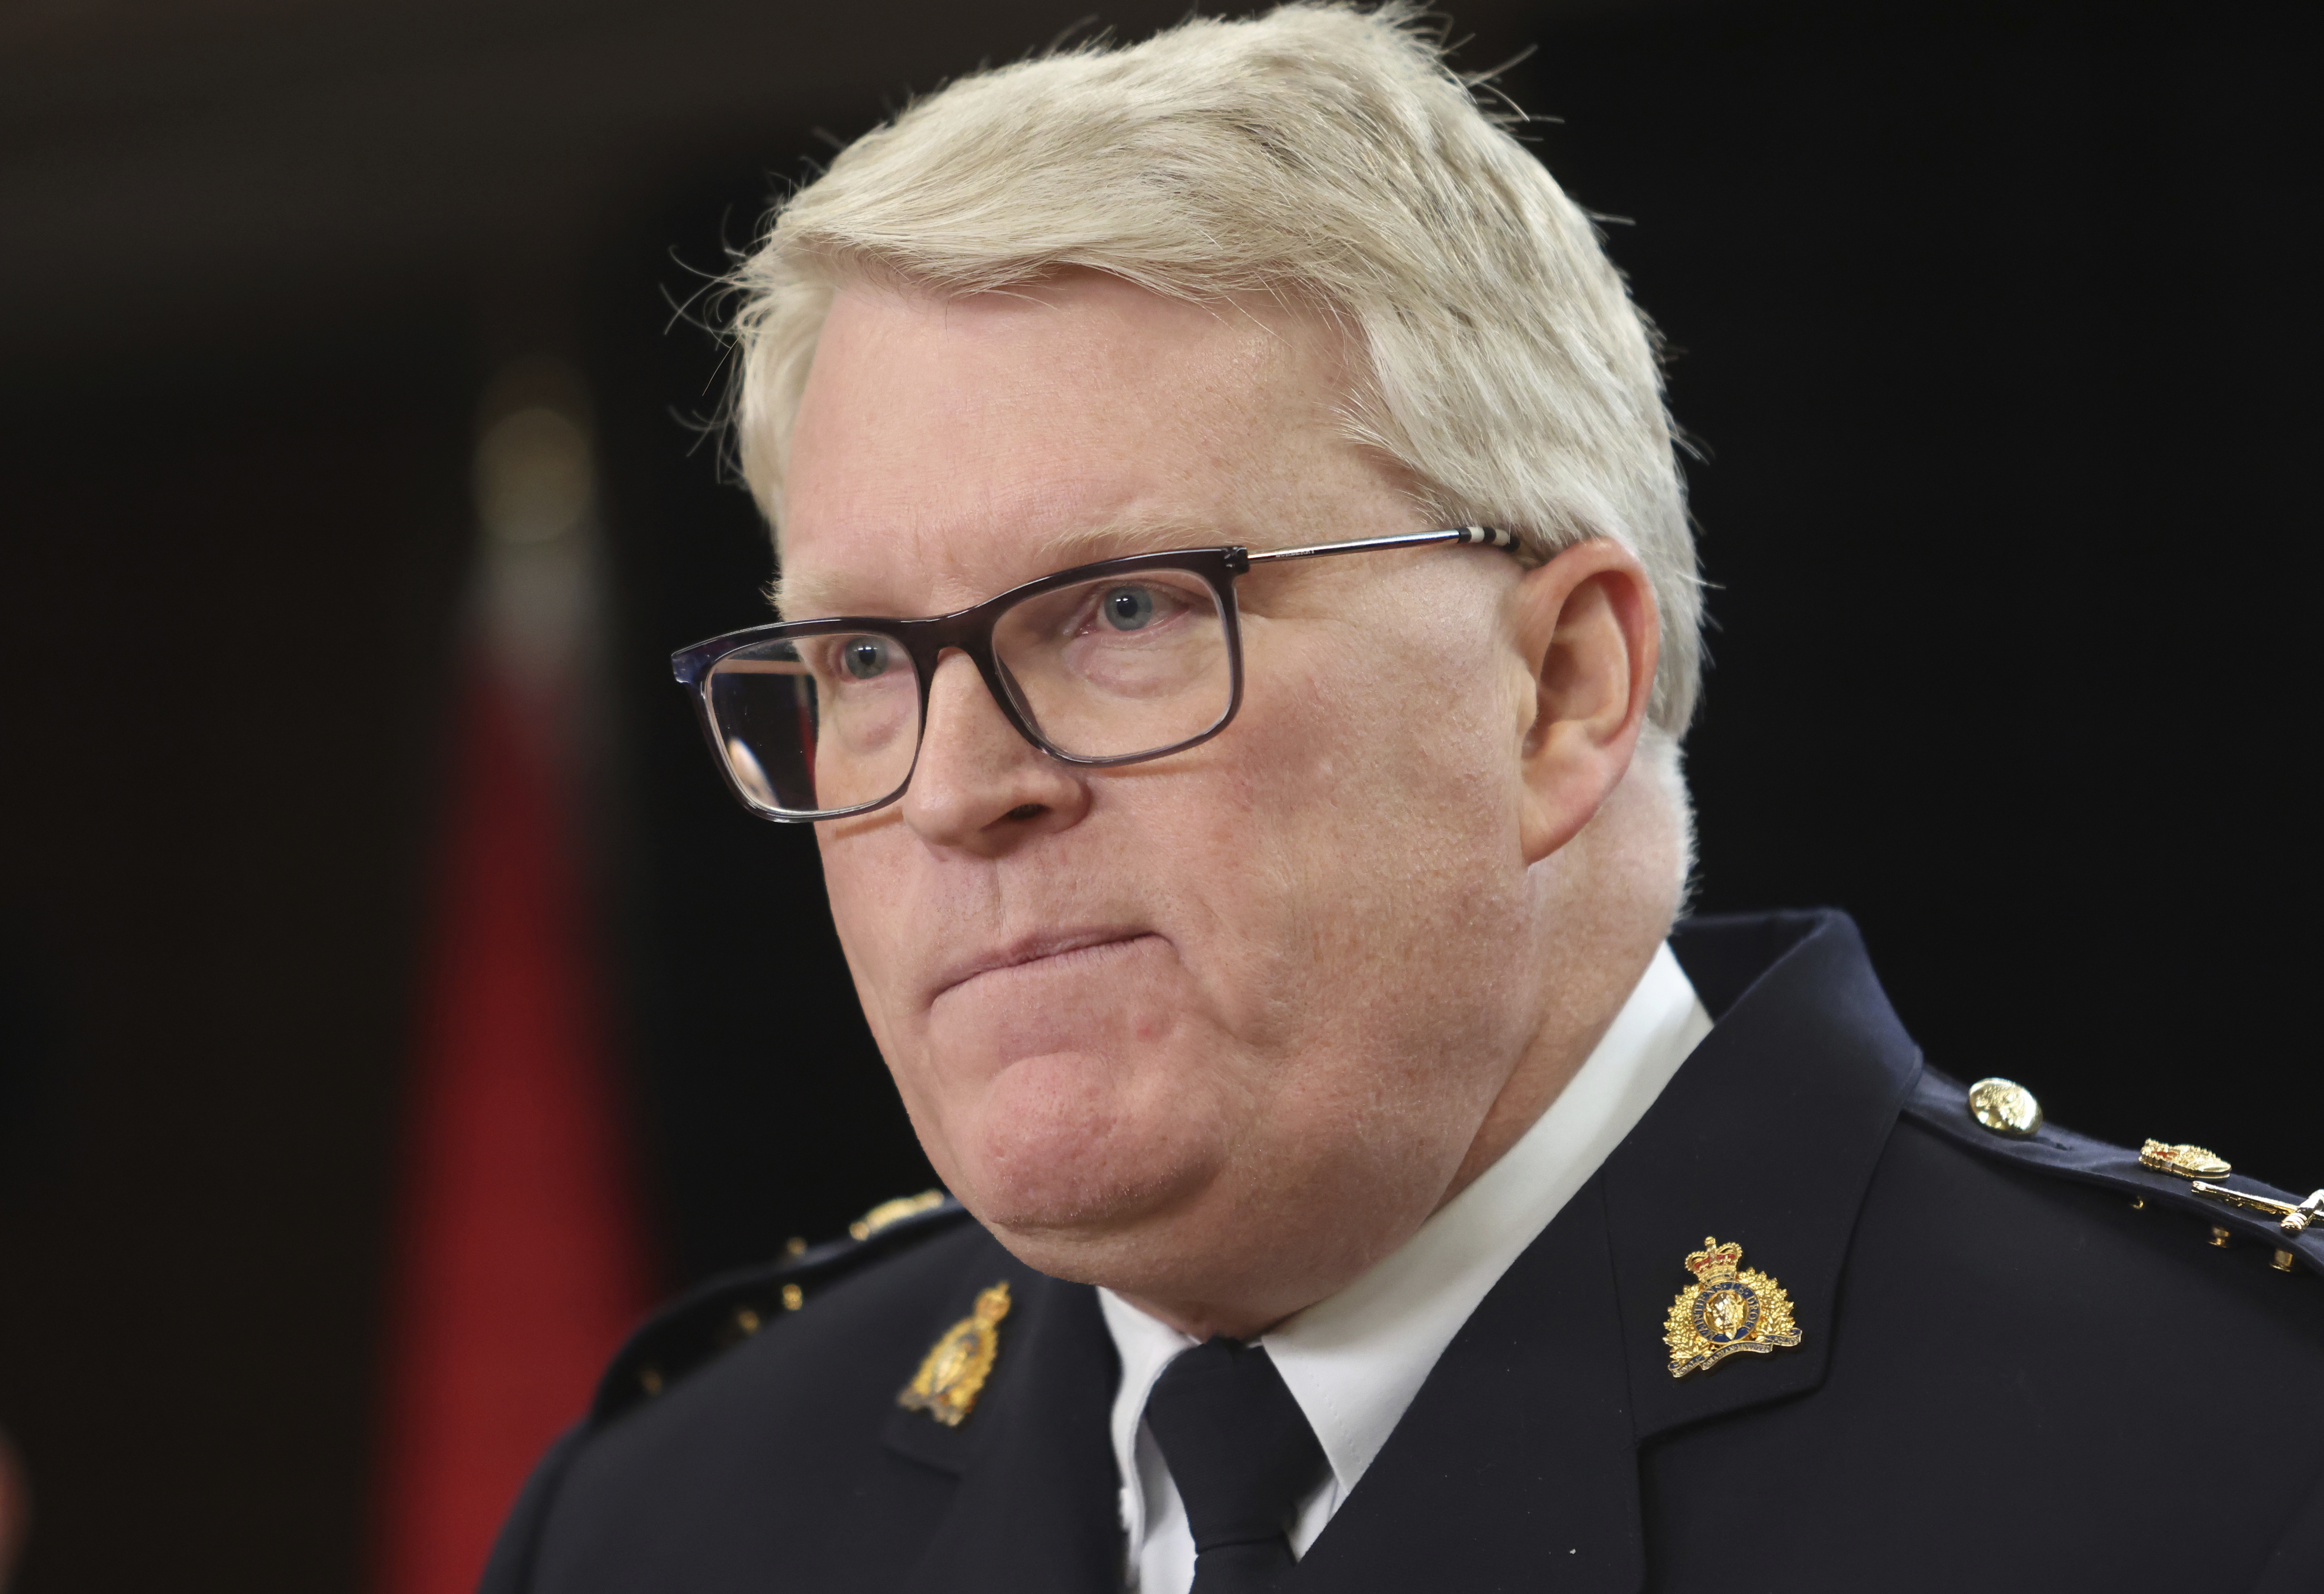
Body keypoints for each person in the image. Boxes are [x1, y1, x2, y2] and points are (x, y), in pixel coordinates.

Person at [483, 7, 2324, 1590]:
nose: (956, 790)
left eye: (1124, 610)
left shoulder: (2227, 1461)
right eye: (864, 661)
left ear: (1559, 690)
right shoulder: (669, 1523)